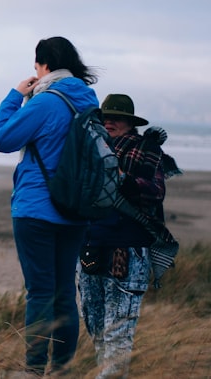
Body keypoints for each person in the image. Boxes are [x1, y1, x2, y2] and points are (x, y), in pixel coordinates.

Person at [0, 36, 100, 375]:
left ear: (45, 65)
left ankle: (35, 368)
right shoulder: (89, 102)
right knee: (65, 291)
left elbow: (1, 140)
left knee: (40, 292)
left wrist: (16, 95)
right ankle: (63, 368)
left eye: (35, 66)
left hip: (37, 207)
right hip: (76, 210)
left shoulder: (45, 101)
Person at [78, 94, 182, 378]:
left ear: (130, 123)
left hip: (128, 249)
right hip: (90, 247)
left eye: (117, 118)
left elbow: (155, 190)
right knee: (96, 328)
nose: (109, 122)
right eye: (105, 117)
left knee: (118, 334)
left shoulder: (146, 150)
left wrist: (122, 178)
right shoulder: (90, 149)